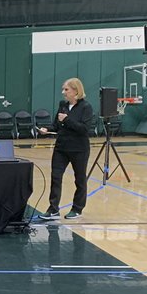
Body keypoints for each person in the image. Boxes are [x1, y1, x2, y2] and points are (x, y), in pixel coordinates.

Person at [40, 77, 94, 221]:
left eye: (66, 89)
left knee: (80, 179)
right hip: (61, 148)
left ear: (76, 91)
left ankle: (77, 209)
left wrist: (67, 120)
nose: (63, 92)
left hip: (79, 149)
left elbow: (84, 129)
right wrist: (47, 129)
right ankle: (53, 209)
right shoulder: (62, 105)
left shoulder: (86, 107)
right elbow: (56, 126)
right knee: (56, 177)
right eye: (63, 89)